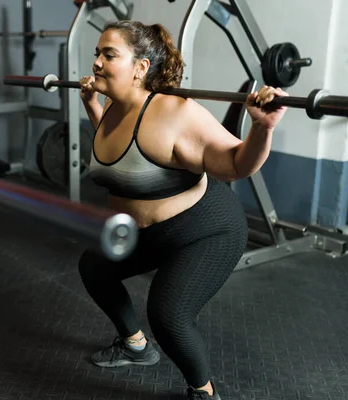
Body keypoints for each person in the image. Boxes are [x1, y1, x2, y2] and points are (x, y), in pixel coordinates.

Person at [78, 20, 288, 400]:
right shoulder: (111, 106)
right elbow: (116, 159)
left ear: (140, 67)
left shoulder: (177, 113)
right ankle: (135, 347)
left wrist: (262, 129)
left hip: (205, 229)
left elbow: (238, 165)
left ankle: (203, 392)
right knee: (94, 267)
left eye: (109, 55)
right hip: (148, 232)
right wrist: (92, 105)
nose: (96, 63)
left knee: (169, 315)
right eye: (97, 54)